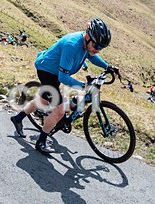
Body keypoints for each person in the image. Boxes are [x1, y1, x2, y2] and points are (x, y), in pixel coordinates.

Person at [10, 18, 116, 154]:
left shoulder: (87, 44)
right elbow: (63, 77)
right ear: (88, 37)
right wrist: (83, 86)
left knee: (42, 100)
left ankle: (17, 118)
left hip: (55, 71)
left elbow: (90, 55)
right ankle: (41, 141)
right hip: (47, 71)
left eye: (101, 48)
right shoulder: (72, 45)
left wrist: (107, 66)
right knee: (60, 110)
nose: (98, 50)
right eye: (97, 46)